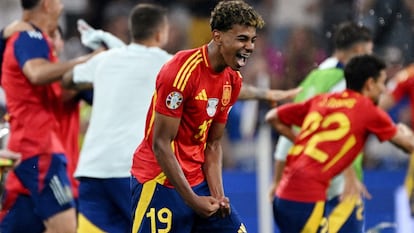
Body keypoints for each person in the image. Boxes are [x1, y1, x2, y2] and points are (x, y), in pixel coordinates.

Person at [130, 1, 264, 232]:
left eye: (252, 40)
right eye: (242, 39)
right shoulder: (181, 71)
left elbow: (212, 144)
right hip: (160, 182)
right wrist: (192, 200)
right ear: (218, 36)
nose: (249, 47)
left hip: (197, 183)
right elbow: (161, 144)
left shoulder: (232, 79)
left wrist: (219, 197)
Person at [265, 54, 414, 233]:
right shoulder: (368, 110)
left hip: (283, 195)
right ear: (369, 84)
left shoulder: (323, 99)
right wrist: (403, 129)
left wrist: (302, 143)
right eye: (381, 83)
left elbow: (273, 117)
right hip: (307, 198)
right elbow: (409, 146)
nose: (383, 90)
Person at [62, 3, 172, 233]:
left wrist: (106, 61)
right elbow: (214, 86)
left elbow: (67, 80)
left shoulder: (107, 59)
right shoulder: (170, 64)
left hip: (93, 169)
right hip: (131, 171)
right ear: (161, 33)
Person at [0, 0, 95, 232]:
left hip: (40, 154)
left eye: (55, 36)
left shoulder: (48, 63)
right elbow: (36, 72)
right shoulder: (29, 40)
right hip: (40, 151)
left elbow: (70, 90)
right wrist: (87, 60)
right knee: (65, 229)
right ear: (46, 4)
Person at [270, 21, 373, 233]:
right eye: (369, 54)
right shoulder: (346, 84)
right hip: (337, 185)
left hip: (301, 184)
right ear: (359, 51)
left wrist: (277, 180)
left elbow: (291, 132)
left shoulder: (314, 79)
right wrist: (351, 175)